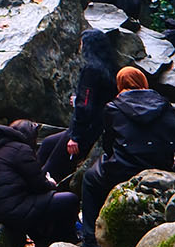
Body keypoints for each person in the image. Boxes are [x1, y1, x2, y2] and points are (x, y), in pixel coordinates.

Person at [79, 68, 175, 247]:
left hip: (123, 169)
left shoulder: (113, 107)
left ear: (120, 84)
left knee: (90, 179)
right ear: (143, 82)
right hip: (160, 167)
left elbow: (108, 145)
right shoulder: (164, 105)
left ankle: (90, 239)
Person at [0, 119, 81, 247]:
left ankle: (43, 243)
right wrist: (51, 183)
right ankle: (64, 245)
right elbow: (39, 185)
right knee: (69, 200)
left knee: (36, 204)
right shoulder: (20, 149)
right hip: (6, 211)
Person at [39, 28, 120, 179]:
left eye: (82, 43)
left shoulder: (91, 69)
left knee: (52, 167)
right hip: (99, 124)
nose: (80, 46)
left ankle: (38, 190)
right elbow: (97, 99)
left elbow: (85, 106)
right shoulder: (111, 68)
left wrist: (75, 137)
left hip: (86, 129)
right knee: (48, 143)